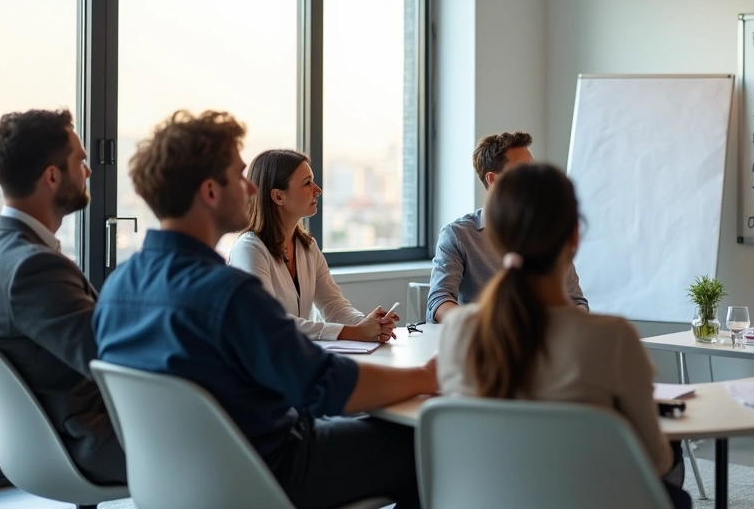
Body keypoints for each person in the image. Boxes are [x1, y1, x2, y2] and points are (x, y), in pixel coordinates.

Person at [93, 111, 435, 508]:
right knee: (424, 441)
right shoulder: (229, 294)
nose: (251, 188)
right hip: (271, 471)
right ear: (210, 191)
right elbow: (326, 386)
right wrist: (427, 375)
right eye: (240, 176)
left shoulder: (115, 288)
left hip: (176, 483)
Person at [437, 163, 691, 509]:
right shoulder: (613, 338)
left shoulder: (457, 332)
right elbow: (656, 460)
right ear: (574, 236)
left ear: (494, 237)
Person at [0, 109, 126, 484]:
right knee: (237, 433)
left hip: (50, 438)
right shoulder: (34, 267)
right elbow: (110, 358)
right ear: (52, 176)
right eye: (80, 161)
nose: (89, 171)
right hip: (88, 440)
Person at [229, 149, 396, 342]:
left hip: (295, 354)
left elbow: (333, 305)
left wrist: (368, 325)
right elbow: (268, 319)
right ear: (278, 196)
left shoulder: (307, 246)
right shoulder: (249, 250)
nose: (318, 190)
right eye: (307, 183)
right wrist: (354, 332)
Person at [427, 131, 588, 323]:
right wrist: (487, 328)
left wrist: (568, 327)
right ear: (493, 179)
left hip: (549, 336)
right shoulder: (458, 235)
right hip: (484, 336)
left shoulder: (548, 230)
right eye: (522, 171)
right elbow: (439, 301)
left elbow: (577, 301)